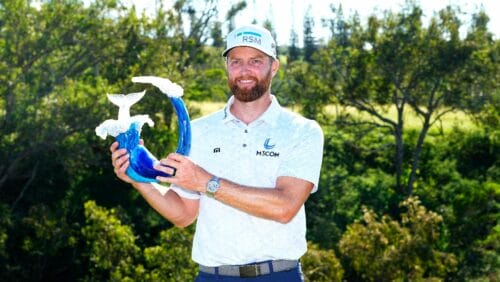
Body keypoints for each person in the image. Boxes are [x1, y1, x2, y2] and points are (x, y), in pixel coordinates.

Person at [110, 24, 324, 282]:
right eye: (236, 61)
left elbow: (284, 207)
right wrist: (138, 179)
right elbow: (183, 215)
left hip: (278, 275)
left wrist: (205, 182)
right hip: (213, 276)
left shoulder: (302, 131)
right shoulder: (198, 132)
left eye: (256, 61)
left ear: (274, 66)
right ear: (227, 67)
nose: (245, 70)